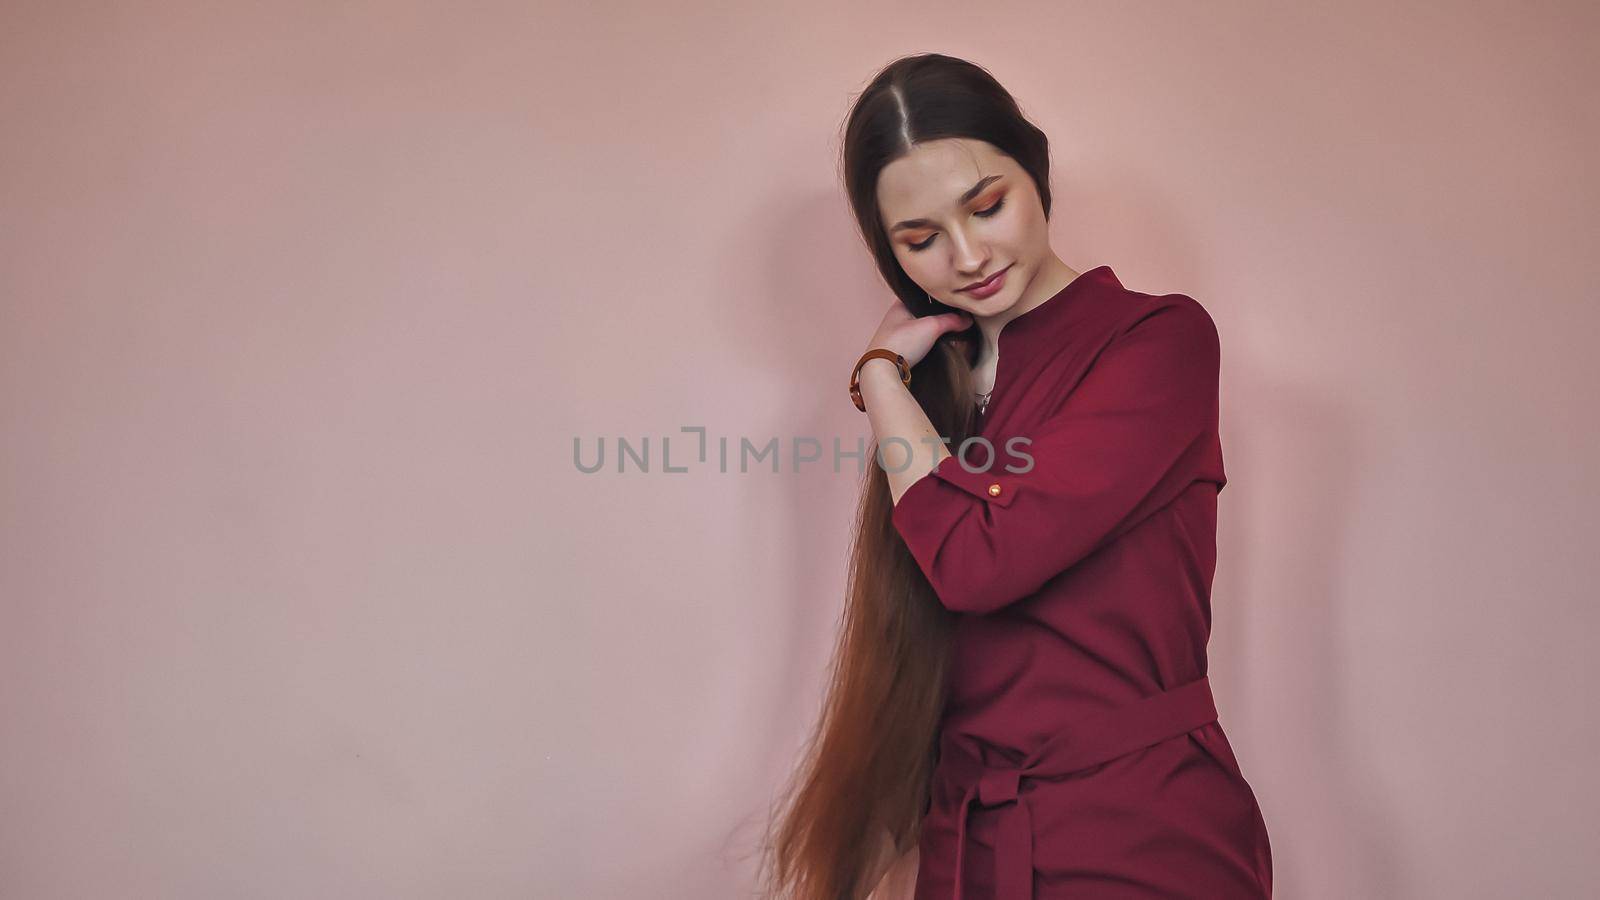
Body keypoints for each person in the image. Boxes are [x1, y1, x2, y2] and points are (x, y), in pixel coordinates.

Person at [758, 53, 1273, 899]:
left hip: (1141, 835)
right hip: (965, 847)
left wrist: (878, 375)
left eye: (987, 204)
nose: (966, 255)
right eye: (920, 240)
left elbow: (977, 563)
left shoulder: (1157, 343)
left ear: (1034, 171)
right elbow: (919, 652)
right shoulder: (940, 392)